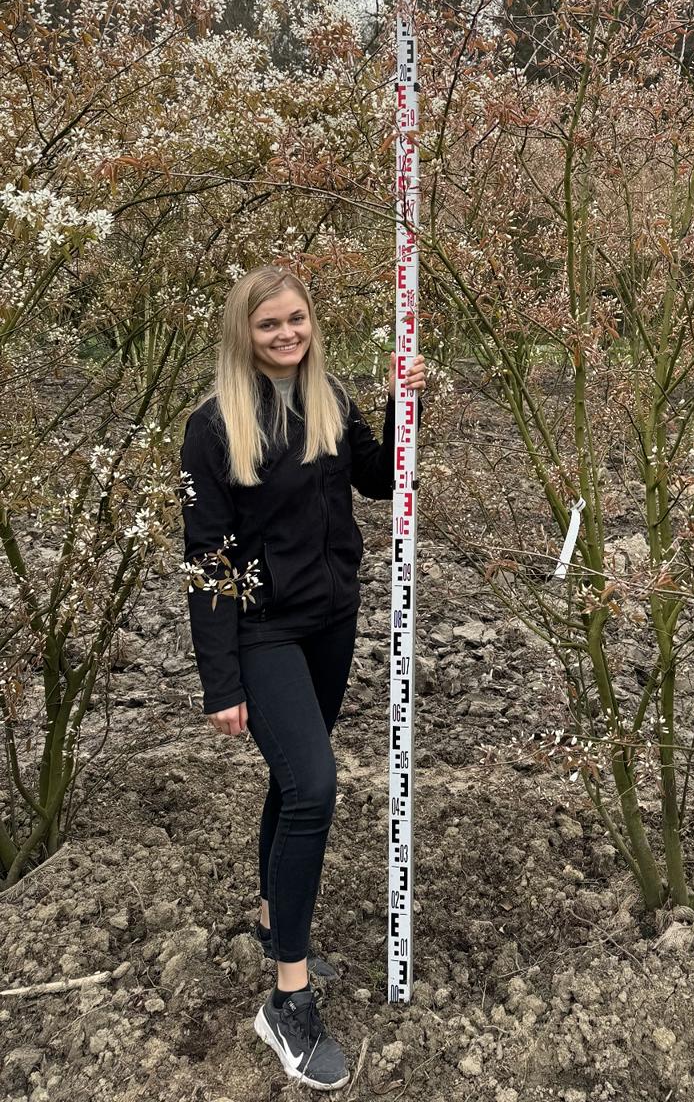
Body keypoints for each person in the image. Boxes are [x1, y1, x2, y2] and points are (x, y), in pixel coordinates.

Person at [180, 265, 425, 1091]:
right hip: (260, 631)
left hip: (330, 618)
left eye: (295, 321)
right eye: (268, 326)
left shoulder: (332, 401)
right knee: (316, 787)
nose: (286, 335)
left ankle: (269, 916)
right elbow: (207, 562)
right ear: (242, 334)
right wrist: (221, 682)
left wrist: (403, 403)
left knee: (292, 784)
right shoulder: (213, 427)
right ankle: (287, 1001)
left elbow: (382, 479)